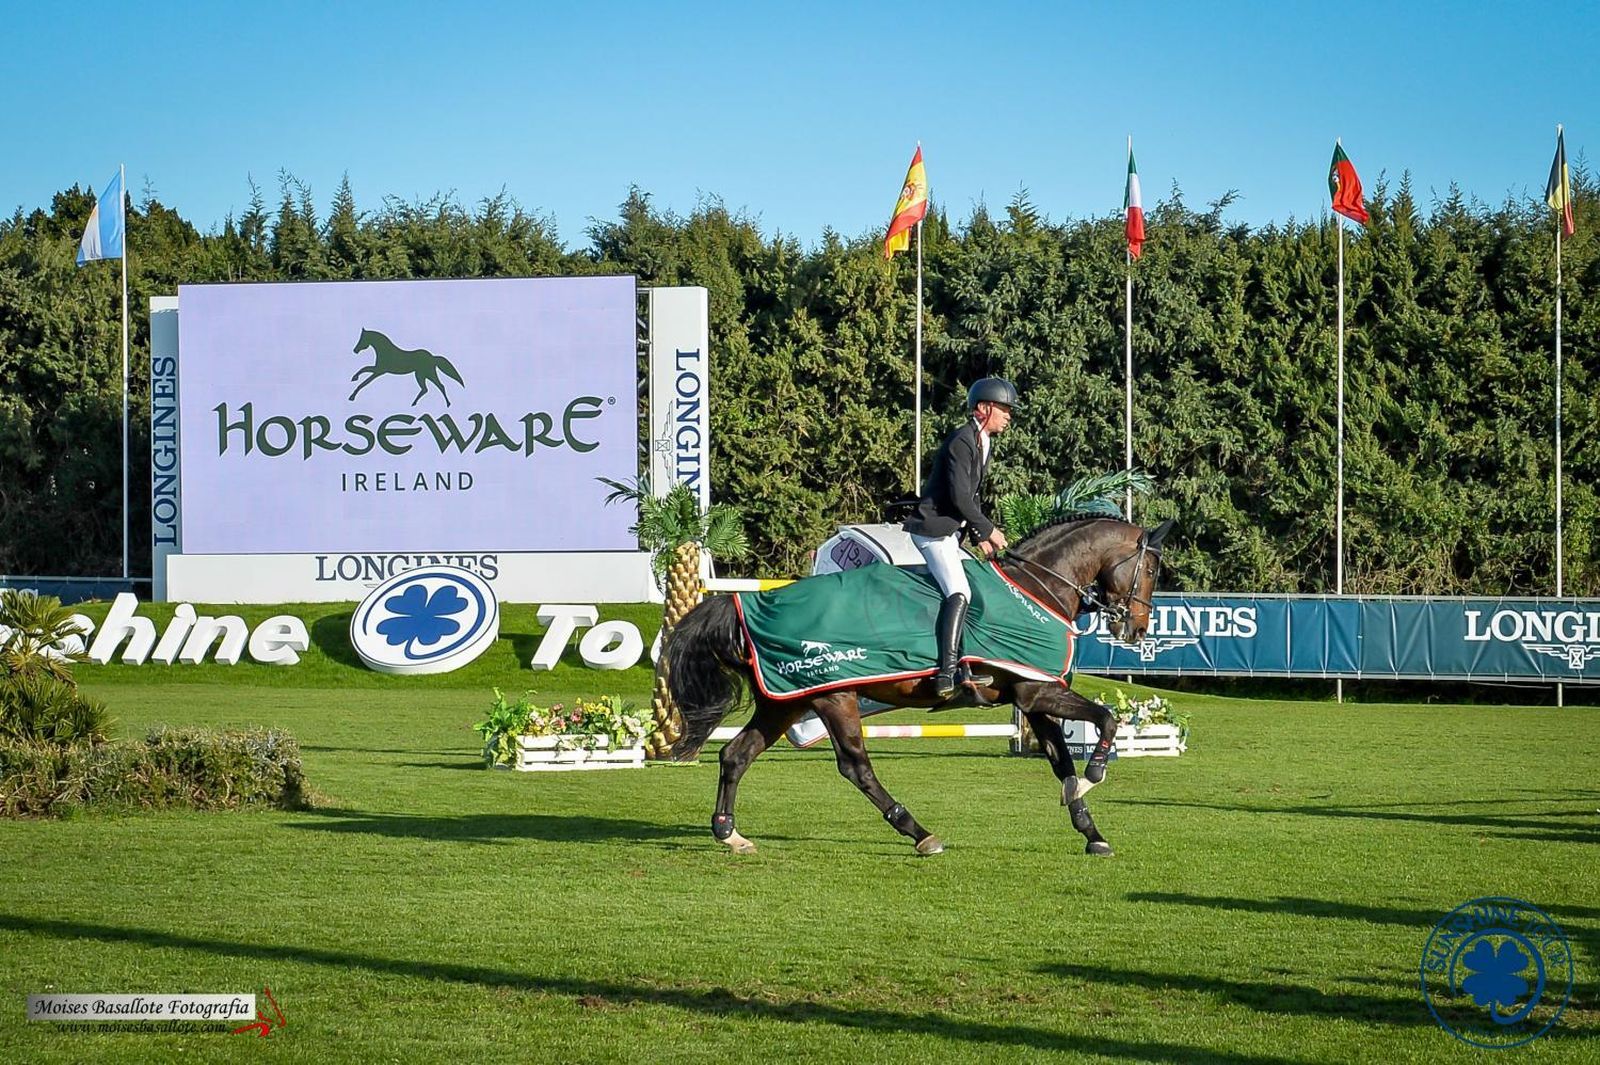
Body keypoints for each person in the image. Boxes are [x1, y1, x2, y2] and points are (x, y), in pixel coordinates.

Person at [901, 376, 1018, 698]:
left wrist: (980, 534)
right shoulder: (961, 441)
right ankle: (946, 674)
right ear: (984, 408)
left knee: (973, 590)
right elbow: (959, 497)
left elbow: (972, 496)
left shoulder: (983, 442)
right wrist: (989, 529)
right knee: (959, 591)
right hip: (932, 532)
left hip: (951, 533)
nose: (1009, 416)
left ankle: (966, 665)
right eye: (1004, 409)